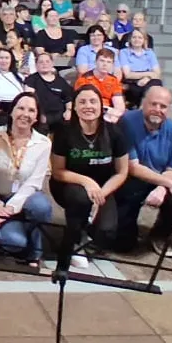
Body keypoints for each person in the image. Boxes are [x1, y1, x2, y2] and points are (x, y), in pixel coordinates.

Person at [48, 85, 129, 268]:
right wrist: (87, 182)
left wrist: (101, 193)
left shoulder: (114, 132)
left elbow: (122, 171)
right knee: (80, 198)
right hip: (70, 184)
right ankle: (76, 238)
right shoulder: (64, 131)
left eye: (93, 101)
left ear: (101, 105)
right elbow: (58, 171)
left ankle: (89, 232)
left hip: (103, 187)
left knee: (107, 232)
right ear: (74, 107)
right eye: (82, 102)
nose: (88, 106)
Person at [0, 92, 52, 267]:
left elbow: (35, 182)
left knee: (41, 206)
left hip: (26, 199)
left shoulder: (43, 143)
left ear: (36, 117)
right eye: (21, 108)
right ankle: (6, 235)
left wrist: (12, 207)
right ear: (11, 111)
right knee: (15, 243)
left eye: (31, 110)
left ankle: (35, 253)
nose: (25, 114)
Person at [114, 87, 172, 255]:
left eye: (163, 106)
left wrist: (163, 188)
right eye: (153, 104)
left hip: (160, 179)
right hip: (131, 178)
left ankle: (160, 235)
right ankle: (126, 230)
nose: (158, 109)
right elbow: (132, 166)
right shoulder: (126, 121)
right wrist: (169, 183)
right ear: (143, 104)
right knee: (122, 245)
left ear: (168, 109)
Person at [24, 52, 74, 129]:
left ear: (52, 64)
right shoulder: (31, 79)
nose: (44, 64)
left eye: (47, 61)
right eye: (41, 62)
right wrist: (40, 114)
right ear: (36, 65)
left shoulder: (60, 81)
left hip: (60, 115)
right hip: (40, 116)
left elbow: (68, 98)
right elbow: (30, 98)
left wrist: (68, 110)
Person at [74, 48, 126, 122]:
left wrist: (115, 115)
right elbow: (83, 104)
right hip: (90, 111)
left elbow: (119, 104)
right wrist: (107, 112)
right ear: (95, 62)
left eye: (109, 62)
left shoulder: (113, 80)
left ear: (112, 65)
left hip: (109, 113)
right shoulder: (84, 79)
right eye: (102, 61)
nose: (105, 64)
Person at [117, 29, 162, 108]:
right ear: (130, 39)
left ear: (144, 40)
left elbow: (157, 73)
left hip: (148, 80)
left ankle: (142, 106)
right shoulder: (124, 52)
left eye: (140, 37)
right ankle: (143, 108)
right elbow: (128, 74)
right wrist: (149, 74)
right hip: (132, 81)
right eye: (134, 37)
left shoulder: (149, 52)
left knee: (156, 83)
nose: (137, 40)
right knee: (141, 89)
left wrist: (147, 78)